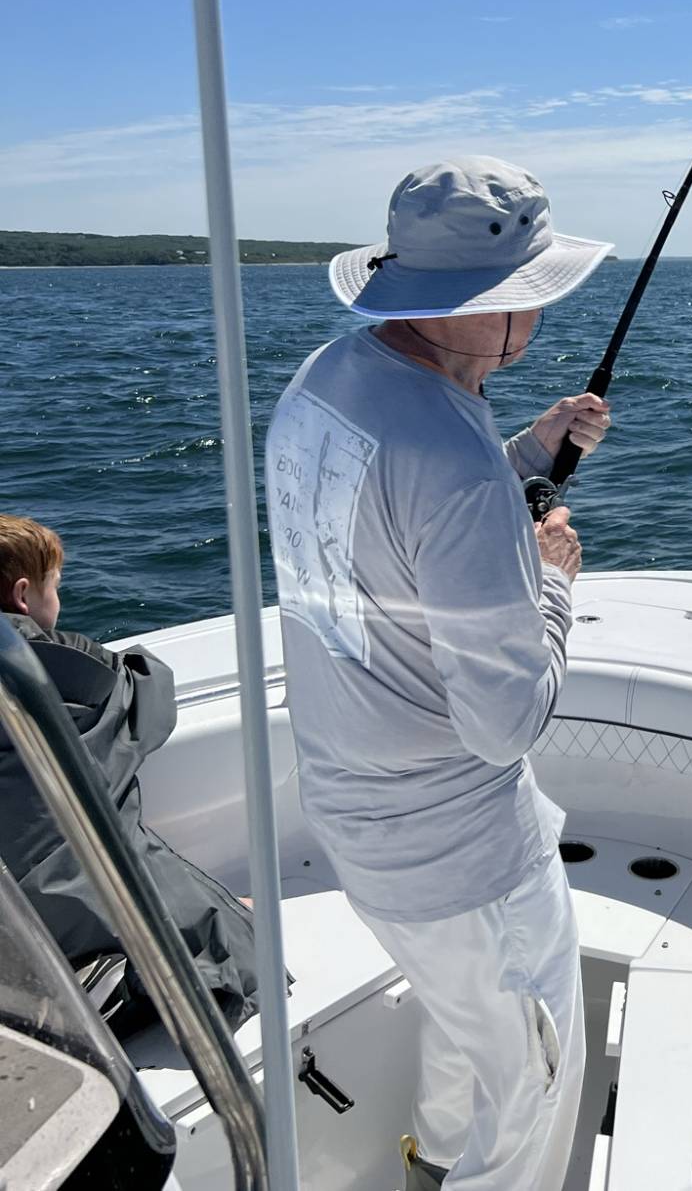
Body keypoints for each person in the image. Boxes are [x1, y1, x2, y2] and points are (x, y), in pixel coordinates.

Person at [265, 156, 613, 1191]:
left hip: (358, 824)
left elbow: (390, 530)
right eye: (532, 297)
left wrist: (528, 451)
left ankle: (431, 1161)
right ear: (490, 307)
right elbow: (506, 724)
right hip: (466, 865)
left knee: (464, 1029)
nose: (541, 319)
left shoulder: (328, 379)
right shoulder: (450, 465)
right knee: (534, 1091)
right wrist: (553, 584)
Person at [0, 512, 264, 1031]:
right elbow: (149, 699)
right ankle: (110, 983)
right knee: (229, 943)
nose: (60, 600)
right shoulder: (66, 676)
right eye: (57, 587)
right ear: (25, 596)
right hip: (67, 914)